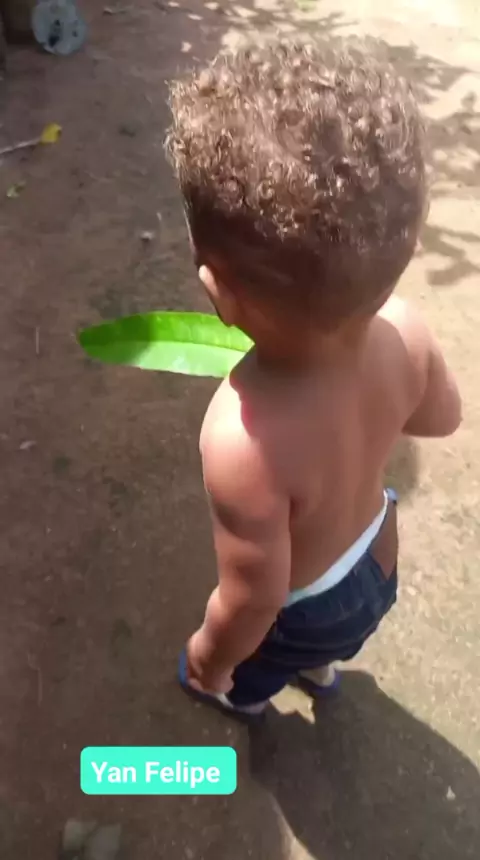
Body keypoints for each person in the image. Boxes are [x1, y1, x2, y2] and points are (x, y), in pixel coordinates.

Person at [166, 39, 462, 719]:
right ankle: (323, 670)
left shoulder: (242, 440)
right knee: (330, 637)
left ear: (218, 292)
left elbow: (253, 599)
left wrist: (209, 660)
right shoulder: (407, 331)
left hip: (304, 606)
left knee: (262, 665)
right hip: (379, 553)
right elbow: (441, 419)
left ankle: (252, 701)